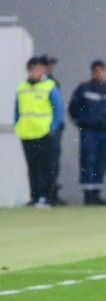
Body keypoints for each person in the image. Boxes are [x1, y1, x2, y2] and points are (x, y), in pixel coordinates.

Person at [14, 56, 64, 208]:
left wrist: (52, 128)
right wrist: (18, 125)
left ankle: (47, 196)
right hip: (28, 133)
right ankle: (35, 196)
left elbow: (58, 109)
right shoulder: (22, 88)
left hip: (45, 133)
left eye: (39, 69)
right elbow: (18, 110)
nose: (36, 72)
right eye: (33, 69)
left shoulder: (49, 86)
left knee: (48, 166)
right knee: (33, 167)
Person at [68, 59, 106, 205]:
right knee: (88, 161)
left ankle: (96, 192)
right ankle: (88, 194)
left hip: (105, 131)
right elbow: (73, 108)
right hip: (89, 132)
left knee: (102, 161)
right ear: (92, 72)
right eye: (96, 71)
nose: (99, 73)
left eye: (101, 70)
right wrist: (81, 122)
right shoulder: (84, 89)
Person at [40, 54, 67, 206]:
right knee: (42, 163)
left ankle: (51, 193)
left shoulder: (54, 83)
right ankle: (43, 195)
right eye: (47, 65)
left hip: (53, 129)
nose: (50, 68)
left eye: (51, 65)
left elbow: (58, 107)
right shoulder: (40, 84)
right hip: (41, 129)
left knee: (53, 163)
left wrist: (55, 126)